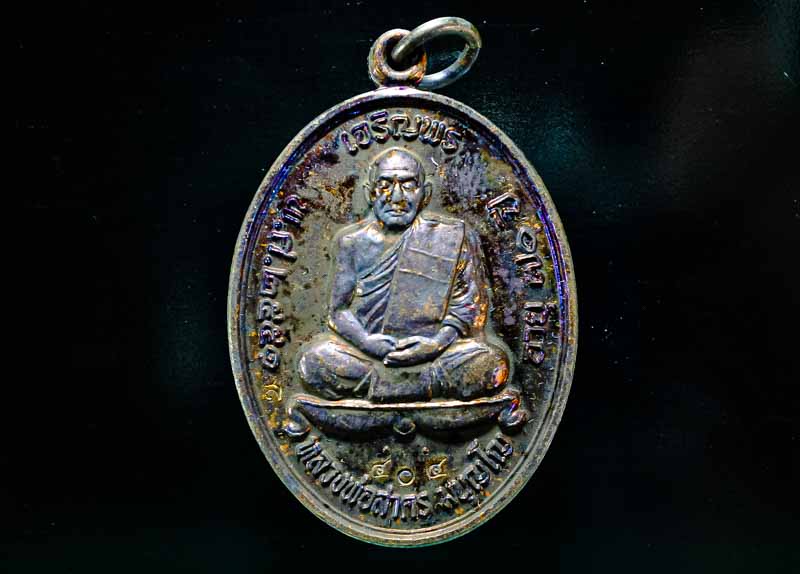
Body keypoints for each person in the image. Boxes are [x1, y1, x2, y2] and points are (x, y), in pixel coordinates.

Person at [297, 147, 510, 403]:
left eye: (408, 186)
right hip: (371, 357)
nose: (396, 197)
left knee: (491, 362)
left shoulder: (453, 236)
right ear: (370, 193)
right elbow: (338, 311)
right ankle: (419, 387)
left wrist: (435, 345)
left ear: (425, 194)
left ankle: (387, 389)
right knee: (314, 361)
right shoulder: (351, 243)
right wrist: (366, 342)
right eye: (385, 185)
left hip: (436, 354)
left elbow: (469, 309)